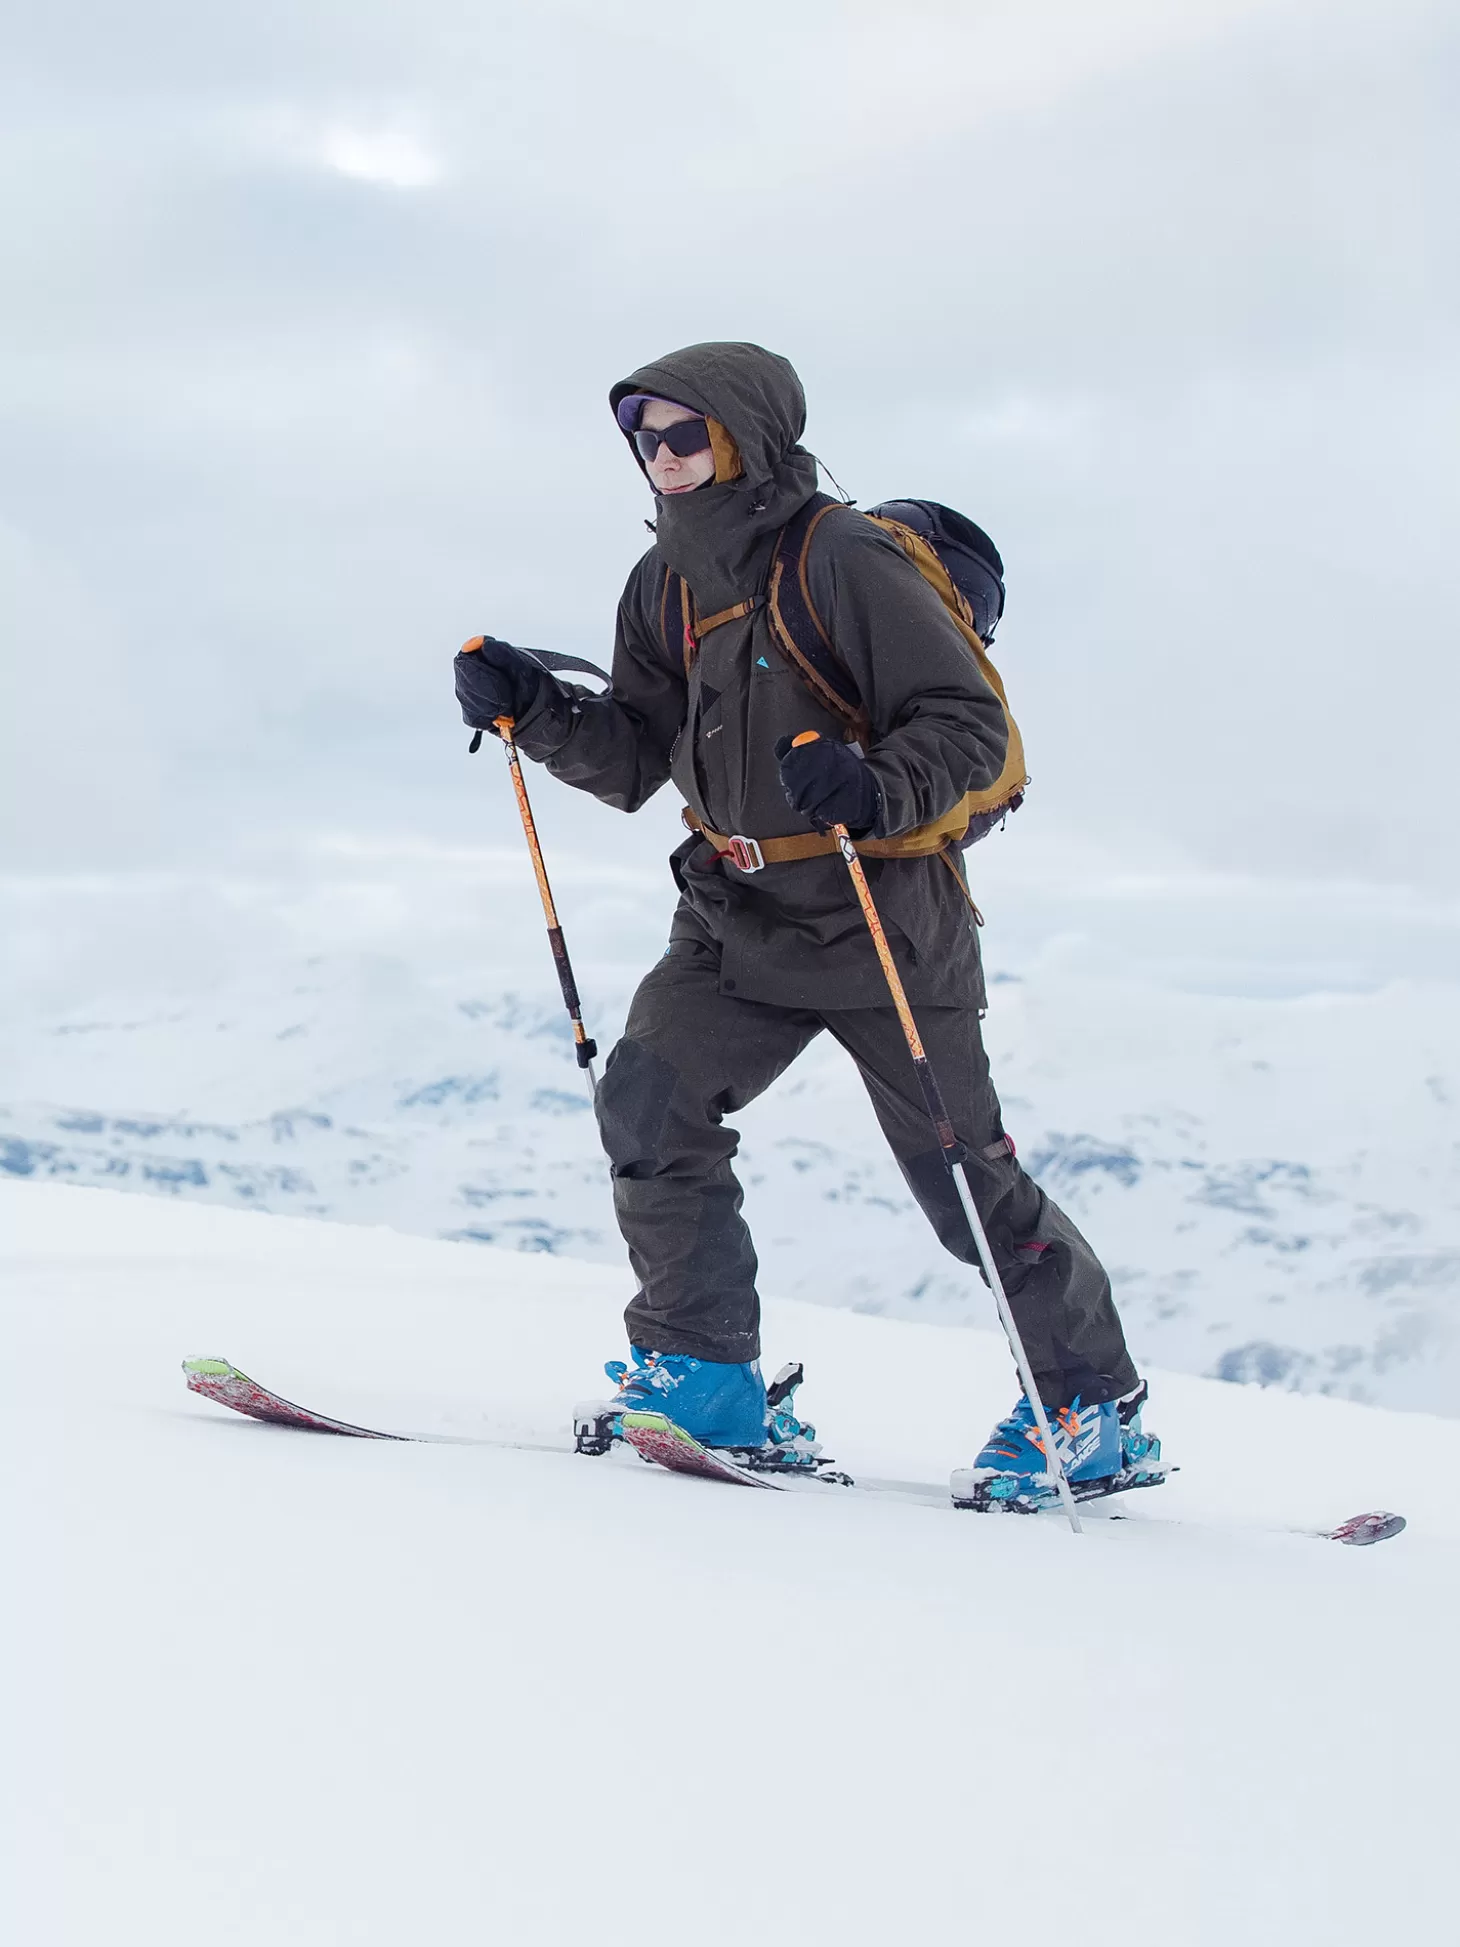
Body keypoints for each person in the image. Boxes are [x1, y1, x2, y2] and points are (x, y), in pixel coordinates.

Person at [453, 340, 1160, 1508]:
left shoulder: (844, 558)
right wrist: (536, 712)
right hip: (734, 910)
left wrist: (875, 786)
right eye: (644, 438)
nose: (662, 457)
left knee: (960, 1185)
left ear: (745, 432)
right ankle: (703, 1378)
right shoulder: (664, 584)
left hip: (883, 915)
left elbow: (966, 727)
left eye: (686, 433)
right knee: (648, 1093)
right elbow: (637, 755)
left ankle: (1092, 1409)